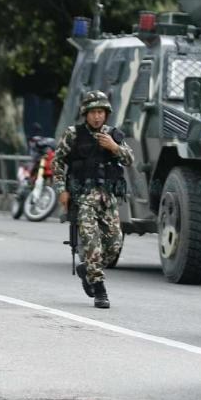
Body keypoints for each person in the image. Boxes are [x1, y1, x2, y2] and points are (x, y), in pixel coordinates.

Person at [51, 90, 133, 309]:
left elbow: (129, 159)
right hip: (83, 198)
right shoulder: (73, 134)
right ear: (85, 113)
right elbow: (57, 162)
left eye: (101, 112)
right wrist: (61, 189)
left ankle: (87, 269)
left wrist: (115, 148)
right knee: (92, 243)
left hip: (107, 198)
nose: (97, 117)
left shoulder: (112, 134)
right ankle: (99, 290)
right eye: (93, 112)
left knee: (114, 244)